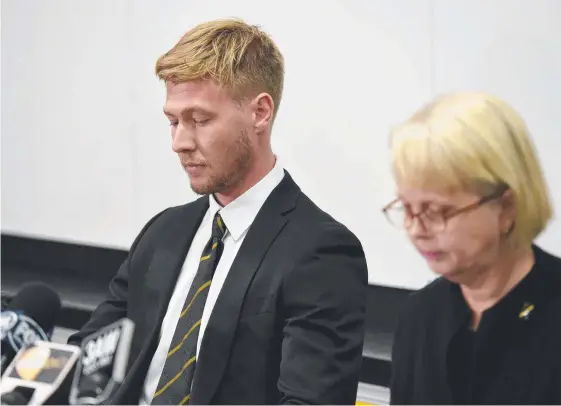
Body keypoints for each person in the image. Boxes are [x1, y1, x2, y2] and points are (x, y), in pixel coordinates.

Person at [67, 18, 368, 405]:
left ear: (260, 112)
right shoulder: (163, 232)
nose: (179, 142)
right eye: (173, 121)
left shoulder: (322, 253)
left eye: (200, 120)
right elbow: (89, 361)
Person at [384, 92, 561, 405]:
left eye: (437, 211)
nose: (416, 229)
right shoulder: (419, 317)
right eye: (407, 208)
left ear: (506, 207)